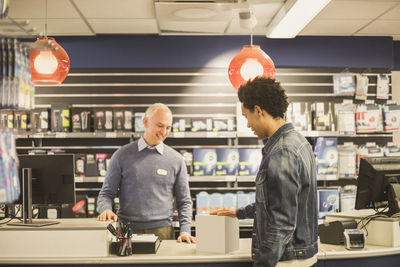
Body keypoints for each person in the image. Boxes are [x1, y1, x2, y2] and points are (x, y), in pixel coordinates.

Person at [212, 77, 318, 266]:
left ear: (259, 111)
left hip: (286, 260)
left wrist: (262, 263)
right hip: (299, 254)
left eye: (246, 116)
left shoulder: (282, 151)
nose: (247, 124)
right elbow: (280, 202)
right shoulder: (299, 142)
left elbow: (282, 223)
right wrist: (240, 213)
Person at [97, 103, 195, 244]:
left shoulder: (176, 160)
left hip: (163, 232)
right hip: (125, 231)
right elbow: (106, 193)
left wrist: (185, 231)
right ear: (145, 122)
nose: (164, 132)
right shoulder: (121, 155)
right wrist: (106, 209)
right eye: (160, 125)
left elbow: (184, 201)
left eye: (168, 127)